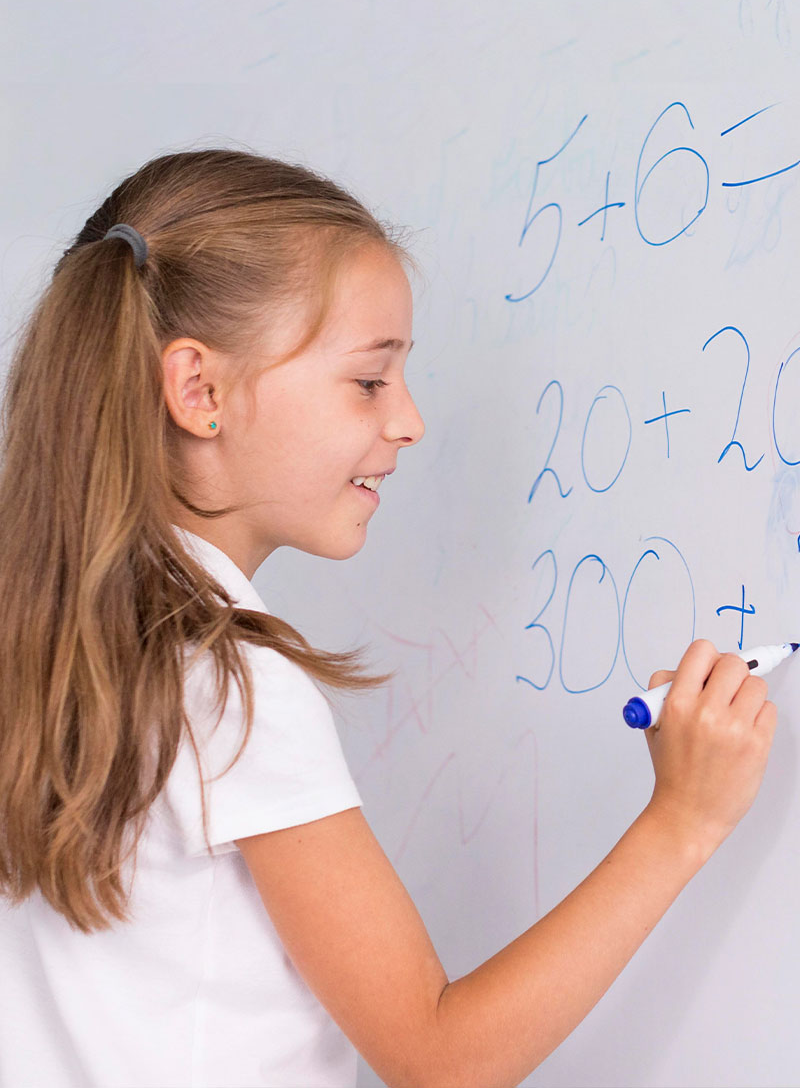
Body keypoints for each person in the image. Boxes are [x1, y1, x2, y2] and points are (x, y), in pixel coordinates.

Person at [0, 147, 777, 1088]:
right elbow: (440, 1057)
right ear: (199, 392)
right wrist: (682, 820)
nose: (408, 420)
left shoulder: (47, 642)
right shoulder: (231, 687)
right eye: (370, 380)